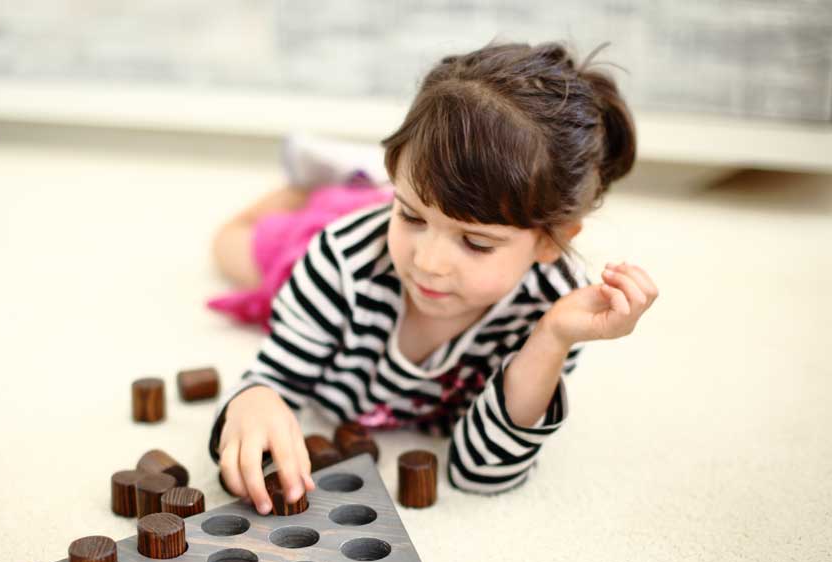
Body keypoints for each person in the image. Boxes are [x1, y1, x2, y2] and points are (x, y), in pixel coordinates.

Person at [206, 41, 659, 515]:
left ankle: (375, 191)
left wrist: (551, 338)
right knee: (231, 246)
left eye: (476, 243)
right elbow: (273, 377)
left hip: (394, 216)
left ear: (549, 242)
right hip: (332, 241)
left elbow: (482, 472)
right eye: (413, 216)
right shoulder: (340, 260)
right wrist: (255, 399)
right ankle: (330, 186)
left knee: (402, 209)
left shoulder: (557, 305)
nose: (429, 263)